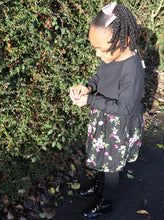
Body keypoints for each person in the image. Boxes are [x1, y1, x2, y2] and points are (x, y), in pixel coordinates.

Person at [69, 2, 145, 219]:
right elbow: (100, 76)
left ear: (125, 41)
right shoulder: (111, 54)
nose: (97, 55)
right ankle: (99, 182)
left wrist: (91, 101)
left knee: (111, 166)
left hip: (120, 125)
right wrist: (89, 87)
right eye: (95, 48)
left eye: (101, 49)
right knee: (102, 156)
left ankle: (106, 202)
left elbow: (125, 108)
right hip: (105, 118)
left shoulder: (132, 70)